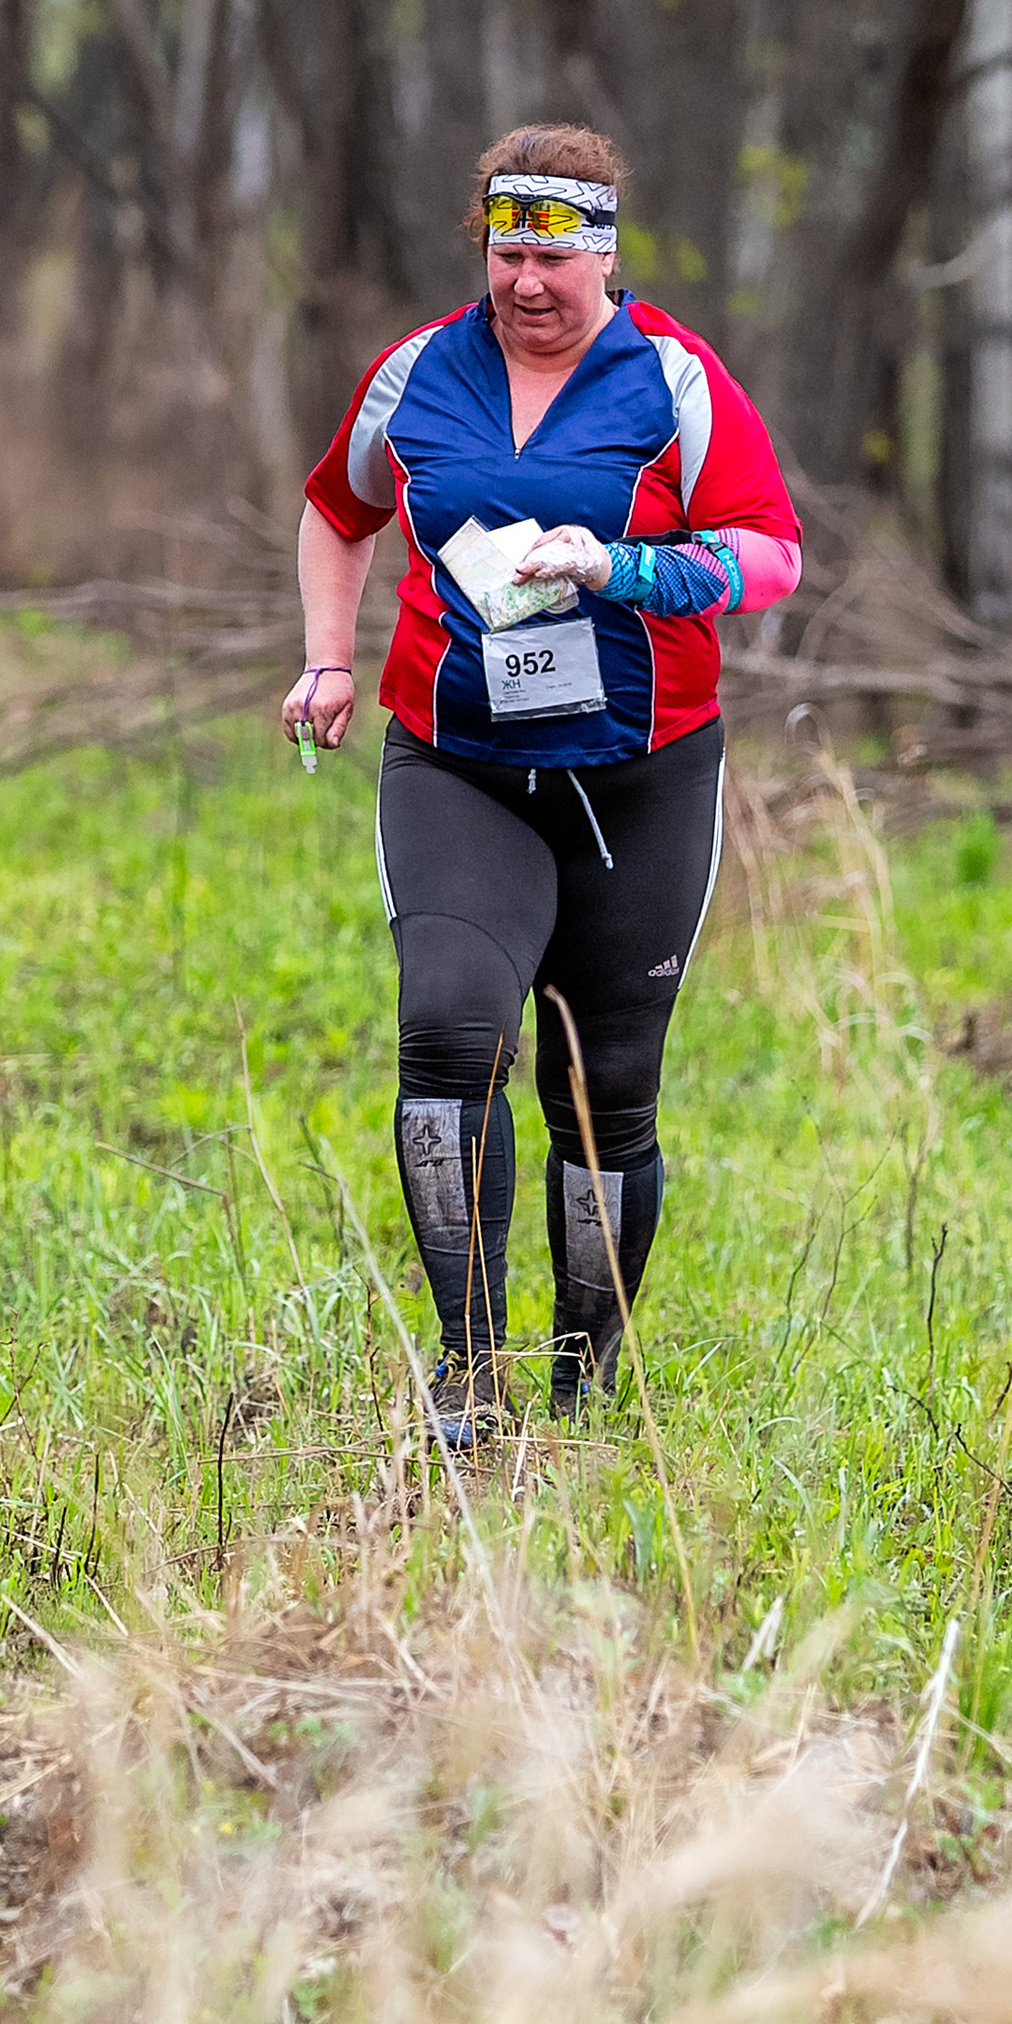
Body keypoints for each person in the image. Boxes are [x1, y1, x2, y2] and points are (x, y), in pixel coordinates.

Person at [284, 127, 800, 1441]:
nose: (528, 283)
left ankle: (579, 1392)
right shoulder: (416, 372)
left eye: (555, 260)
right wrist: (326, 661)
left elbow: (771, 556)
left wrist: (622, 567)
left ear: (606, 257)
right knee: (450, 1034)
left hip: (641, 775)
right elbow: (338, 512)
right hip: (458, 762)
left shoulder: (672, 379)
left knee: (602, 1096)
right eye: (507, 253)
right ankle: (466, 1377)